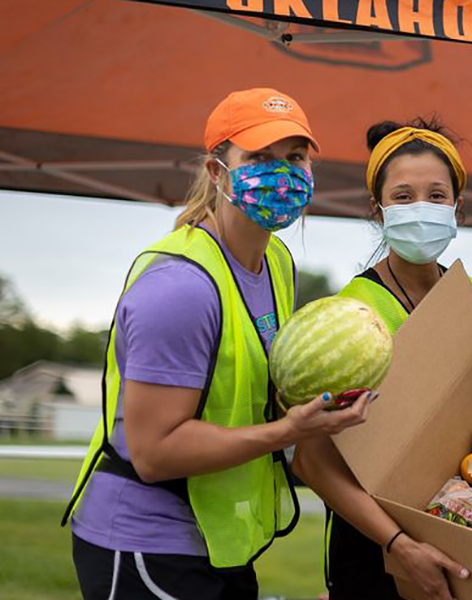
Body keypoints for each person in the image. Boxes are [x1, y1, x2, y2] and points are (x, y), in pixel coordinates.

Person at [63, 88, 373, 600]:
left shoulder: (277, 264)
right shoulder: (180, 289)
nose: (282, 173)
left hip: (216, 542)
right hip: (146, 546)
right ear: (216, 171)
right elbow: (154, 453)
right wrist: (286, 431)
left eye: (295, 157)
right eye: (259, 158)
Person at [293, 117, 472, 600]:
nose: (422, 209)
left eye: (436, 196)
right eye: (403, 197)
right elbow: (312, 460)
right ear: (378, 210)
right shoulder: (351, 316)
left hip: (468, 530)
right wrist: (399, 544)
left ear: (457, 208)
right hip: (374, 548)